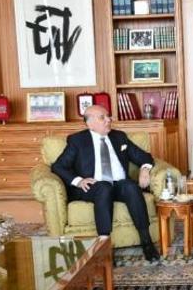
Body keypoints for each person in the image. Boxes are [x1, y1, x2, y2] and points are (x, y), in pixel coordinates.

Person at [51, 105, 160, 261]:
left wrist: (145, 169)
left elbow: (144, 156)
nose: (109, 120)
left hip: (118, 184)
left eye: (108, 116)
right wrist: (79, 181)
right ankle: (104, 245)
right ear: (90, 123)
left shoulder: (119, 137)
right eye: (103, 117)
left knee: (130, 186)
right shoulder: (77, 141)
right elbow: (58, 166)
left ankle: (146, 241)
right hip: (93, 187)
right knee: (104, 188)